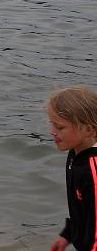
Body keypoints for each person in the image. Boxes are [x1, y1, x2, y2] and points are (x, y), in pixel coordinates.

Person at [48, 86, 97, 251]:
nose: (52, 132)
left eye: (60, 127)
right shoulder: (75, 153)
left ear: (88, 129)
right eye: (52, 124)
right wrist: (68, 233)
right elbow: (83, 208)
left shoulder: (92, 170)